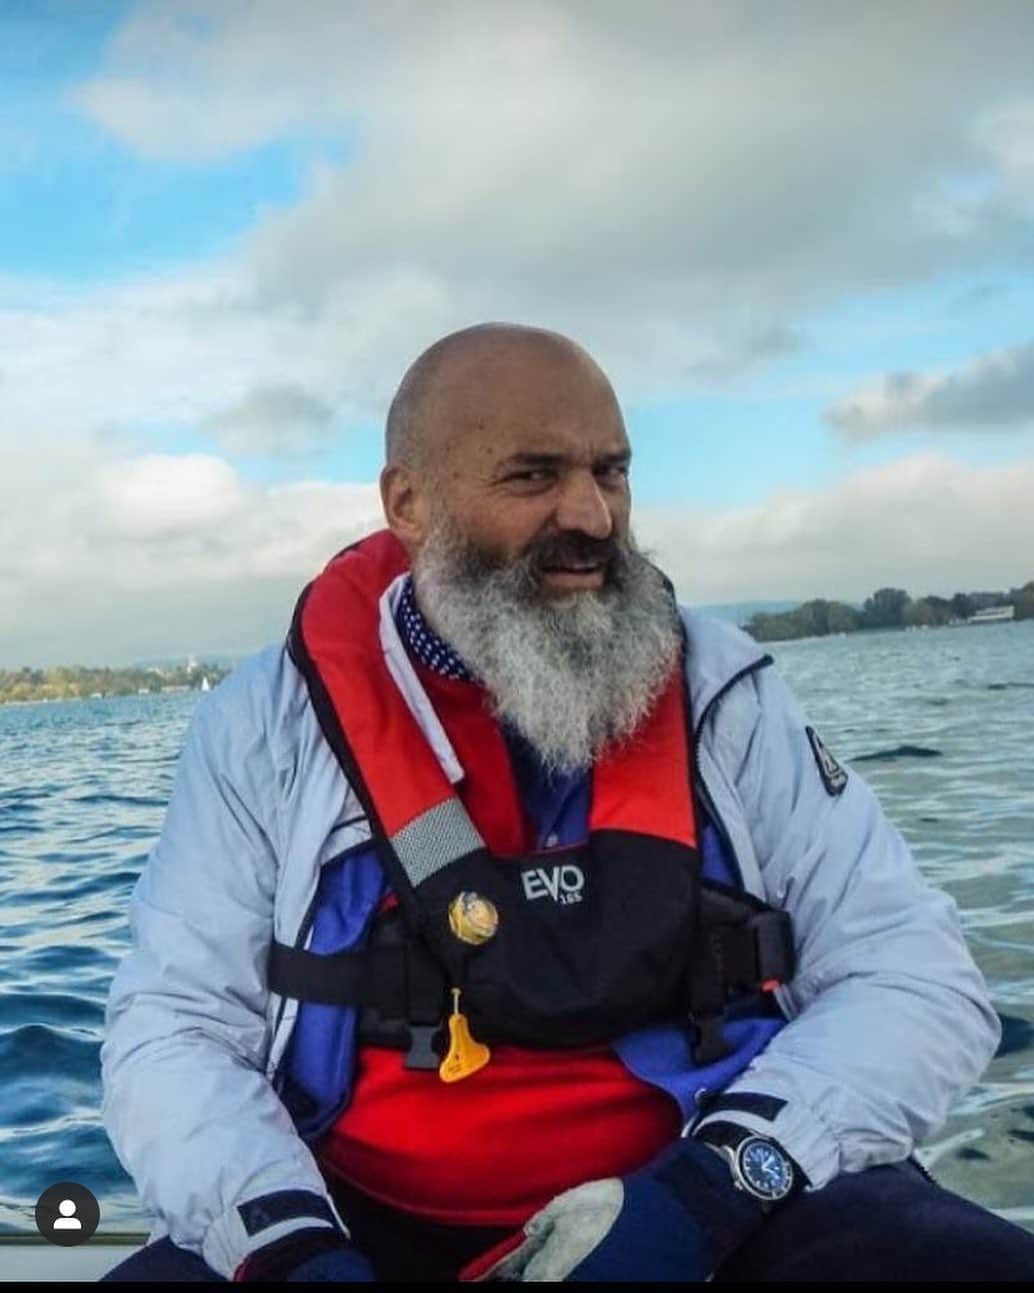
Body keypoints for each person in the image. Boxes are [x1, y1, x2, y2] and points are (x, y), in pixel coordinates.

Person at [100, 323, 1034, 1282]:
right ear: (408, 504)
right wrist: (290, 1249)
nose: (591, 513)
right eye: (534, 476)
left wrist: (709, 1195)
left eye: (611, 472)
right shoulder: (270, 725)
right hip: (356, 1223)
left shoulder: (724, 693)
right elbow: (174, 1028)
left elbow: (917, 975)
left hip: (715, 1198)